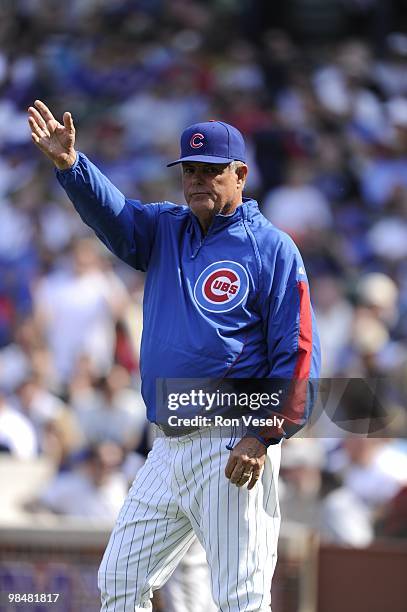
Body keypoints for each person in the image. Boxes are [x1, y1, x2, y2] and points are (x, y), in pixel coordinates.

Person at [28, 99, 321, 612]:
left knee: (241, 598)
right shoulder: (166, 229)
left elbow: (297, 357)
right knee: (119, 580)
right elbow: (116, 218)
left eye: (211, 171)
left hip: (232, 441)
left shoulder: (272, 249)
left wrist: (262, 435)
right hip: (167, 444)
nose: (197, 181)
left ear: (240, 175)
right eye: (189, 170)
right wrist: (73, 167)